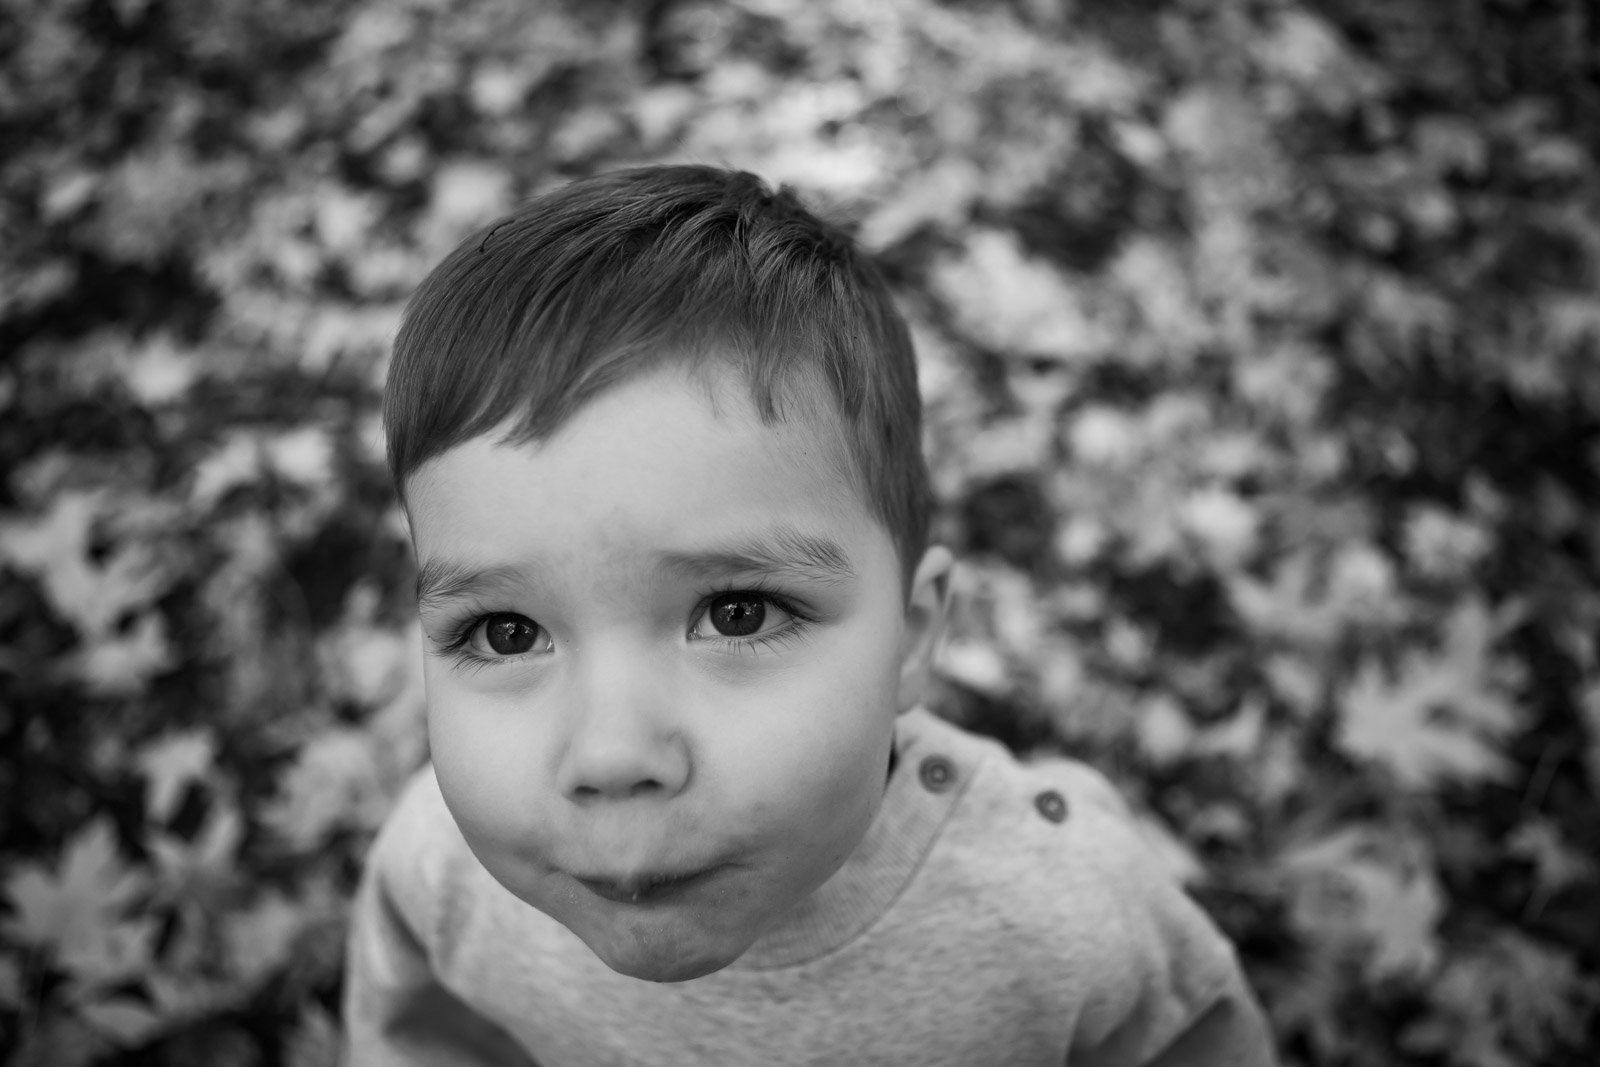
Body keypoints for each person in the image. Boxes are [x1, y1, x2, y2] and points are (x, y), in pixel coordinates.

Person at [342, 164, 1278, 1066]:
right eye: (507, 632)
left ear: (911, 636)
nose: (613, 755)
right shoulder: (441, 873)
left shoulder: (1060, 910)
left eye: (738, 613)